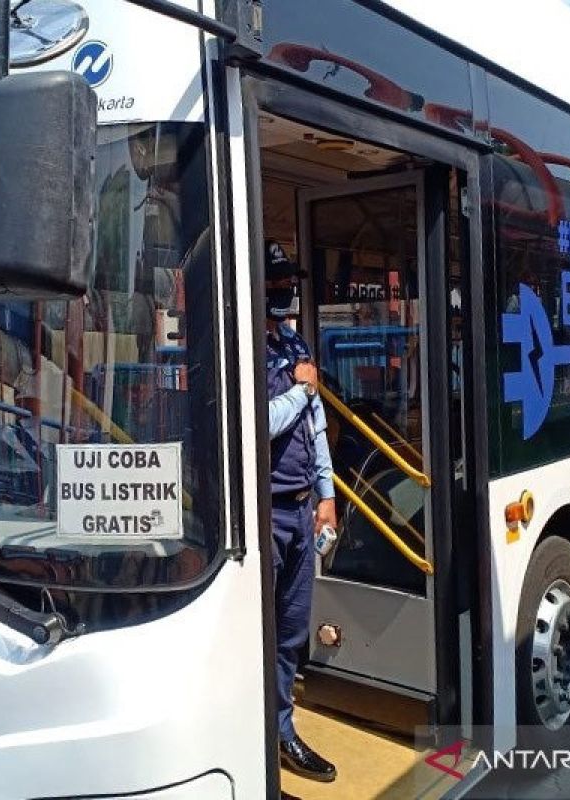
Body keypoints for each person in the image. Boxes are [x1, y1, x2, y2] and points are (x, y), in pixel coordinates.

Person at [263, 240, 338, 783]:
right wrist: (299, 390)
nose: (286, 290)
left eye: (290, 280)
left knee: (291, 632)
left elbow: (316, 424)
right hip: (261, 512)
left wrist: (327, 492)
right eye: (277, 281)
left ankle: (283, 730)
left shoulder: (294, 343)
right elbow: (258, 423)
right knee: (259, 632)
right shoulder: (242, 345)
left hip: (300, 509)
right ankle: (257, 731)